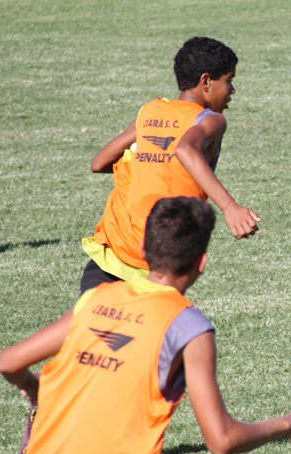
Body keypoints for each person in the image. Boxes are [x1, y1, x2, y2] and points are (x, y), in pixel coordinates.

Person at [0, 197, 291, 454]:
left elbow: (9, 362)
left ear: (142, 250)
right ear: (202, 263)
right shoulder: (189, 328)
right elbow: (222, 440)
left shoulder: (96, 298)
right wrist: (286, 424)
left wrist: (37, 391)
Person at [80, 36, 260, 294]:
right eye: (229, 81)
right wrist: (230, 207)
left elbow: (98, 163)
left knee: (93, 332)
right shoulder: (211, 121)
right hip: (153, 267)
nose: (232, 90)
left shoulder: (150, 111)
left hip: (110, 254)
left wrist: (148, 160)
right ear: (206, 81)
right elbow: (185, 149)